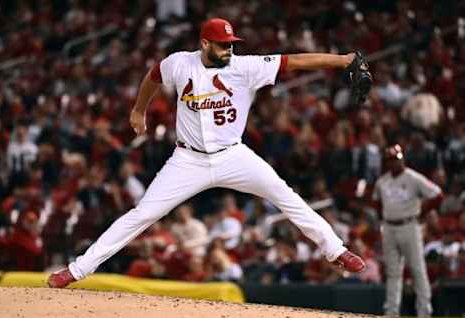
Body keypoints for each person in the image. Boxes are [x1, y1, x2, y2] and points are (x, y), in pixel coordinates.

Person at [48, 17, 366, 288]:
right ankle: (78, 269)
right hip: (188, 160)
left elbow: (293, 61)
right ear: (204, 44)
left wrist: (343, 60)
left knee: (285, 194)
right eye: (222, 44)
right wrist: (138, 110)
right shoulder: (179, 63)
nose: (229, 49)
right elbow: (153, 76)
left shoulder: (245, 67)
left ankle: (336, 250)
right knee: (142, 214)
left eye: (231, 44)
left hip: (233, 155)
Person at [372, 144, 444, 317]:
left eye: (396, 159)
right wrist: (383, 217)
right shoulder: (382, 181)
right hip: (389, 227)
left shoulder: (413, 178)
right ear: (386, 162)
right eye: (390, 160)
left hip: (409, 226)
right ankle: (391, 312)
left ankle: (424, 311)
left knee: (417, 269)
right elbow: (375, 202)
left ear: (402, 158)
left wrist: (423, 212)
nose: (394, 163)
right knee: (393, 273)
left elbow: (437, 195)